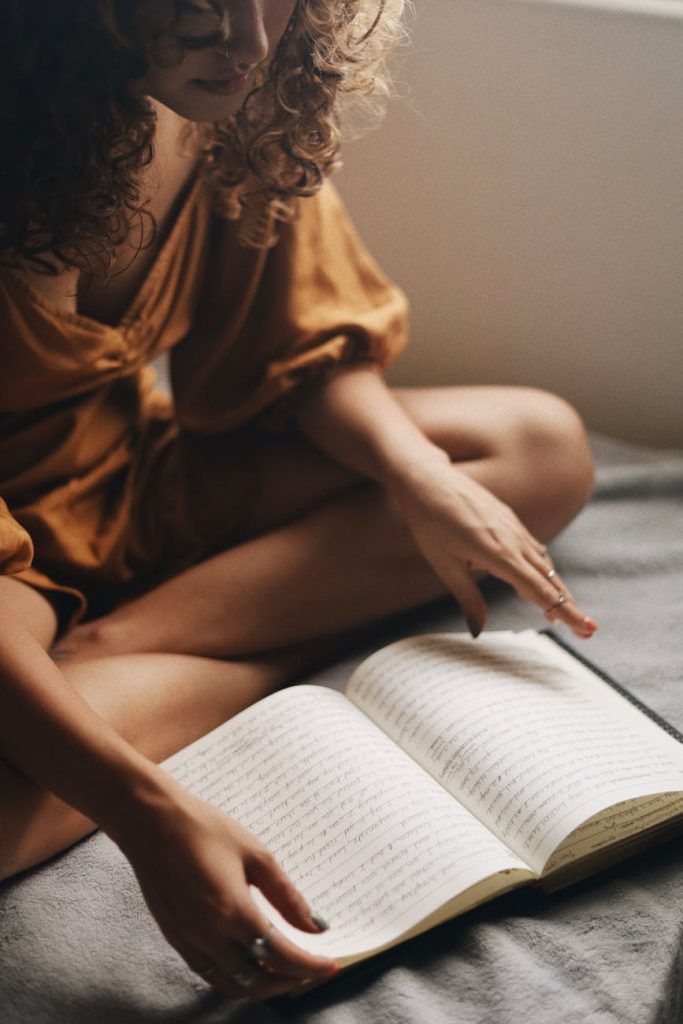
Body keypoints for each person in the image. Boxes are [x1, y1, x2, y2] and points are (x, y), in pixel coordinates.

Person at [0, 0, 597, 1001]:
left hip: (137, 483)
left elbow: (297, 353)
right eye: (194, 2)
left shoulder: (223, 97)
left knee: (536, 448)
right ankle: (238, 663)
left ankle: (113, 668)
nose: (251, 41)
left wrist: (420, 479)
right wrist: (148, 814)